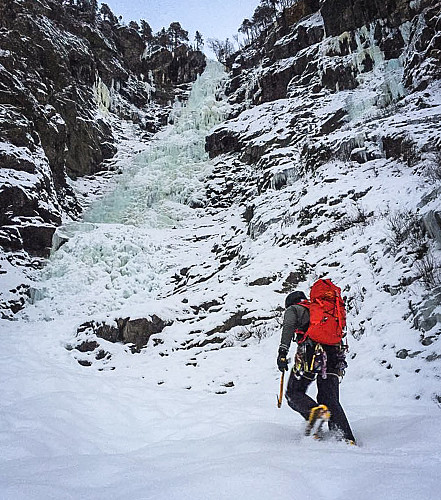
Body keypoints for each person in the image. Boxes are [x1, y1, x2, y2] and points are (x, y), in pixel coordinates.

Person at [277, 290, 355, 443]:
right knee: (329, 398)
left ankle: (313, 413)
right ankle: (344, 438)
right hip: (334, 354)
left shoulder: (295, 309)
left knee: (293, 392)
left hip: (311, 354)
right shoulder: (323, 312)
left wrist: (282, 351)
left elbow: (288, 325)